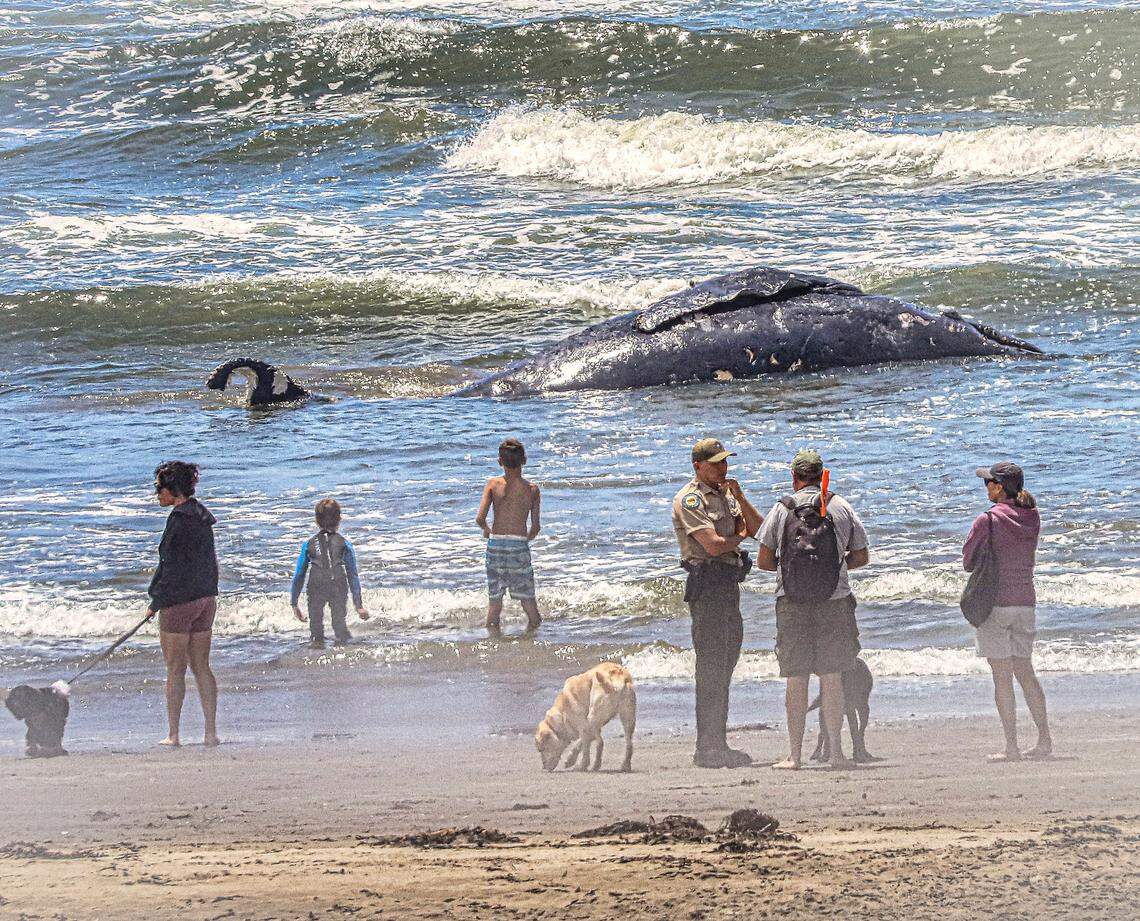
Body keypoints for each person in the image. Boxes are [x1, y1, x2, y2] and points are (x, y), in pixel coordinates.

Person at [756, 450, 869, 770]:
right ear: (822, 476)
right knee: (832, 676)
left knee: (796, 677)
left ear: (794, 478)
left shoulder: (781, 509)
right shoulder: (840, 506)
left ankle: (794, 756)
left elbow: (764, 561)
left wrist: (791, 569)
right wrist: (833, 566)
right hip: (835, 602)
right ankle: (835, 753)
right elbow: (861, 556)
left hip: (792, 603)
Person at [672, 438, 763, 768]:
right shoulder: (690, 499)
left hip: (728, 586)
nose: (723, 468)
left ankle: (717, 743)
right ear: (698, 466)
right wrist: (736, 539)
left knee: (726, 665)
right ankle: (707, 747)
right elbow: (712, 546)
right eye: (716, 463)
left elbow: (759, 529)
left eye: (725, 461)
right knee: (710, 669)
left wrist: (739, 496)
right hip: (708, 586)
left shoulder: (726, 495)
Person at [964, 462, 1051, 762]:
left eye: (988, 483)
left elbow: (968, 561)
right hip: (1025, 601)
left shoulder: (987, 520)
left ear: (1000, 487)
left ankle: (1011, 746)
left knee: (1002, 678)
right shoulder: (1033, 516)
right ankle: (1044, 741)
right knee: (1026, 672)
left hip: (995, 604)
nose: (986, 487)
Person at [146, 461, 220, 747]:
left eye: (159, 489)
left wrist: (156, 600)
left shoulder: (178, 520)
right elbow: (210, 561)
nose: (157, 494)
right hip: (205, 598)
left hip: (180, 602)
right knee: (202, 666)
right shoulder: (203, 515)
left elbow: (170, 566)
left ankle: (174, 734)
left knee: (175, 668)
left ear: (173, 490)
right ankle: (210, 732)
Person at [476, 438, 542, 634]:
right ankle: (534, 637)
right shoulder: (532, 489)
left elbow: (480, 518)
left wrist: (488, 531)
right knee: (528, 600)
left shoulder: (492, 485)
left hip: (495, 546)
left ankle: (492, 639)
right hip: (518, 546)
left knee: (495, 602)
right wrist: (526, 539)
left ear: (499, 462)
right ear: (525, 460)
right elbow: (536, 527)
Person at [291, 498, 369, 649]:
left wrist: (294, 603)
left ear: (316, 520)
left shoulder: (308, 544)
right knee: (339, 626)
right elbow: (353, 575)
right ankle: (344, 652)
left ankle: (317, 653)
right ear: (339, 519)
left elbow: (299, 574)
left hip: (316, 586)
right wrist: (358, 605)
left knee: (316, 627)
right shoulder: (345, 544)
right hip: (338, 585)